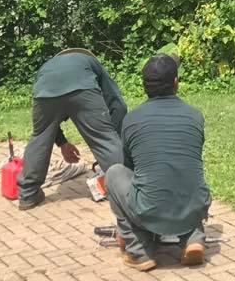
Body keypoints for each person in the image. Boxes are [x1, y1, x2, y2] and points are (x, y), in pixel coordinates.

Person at [105, 54, 212, 272]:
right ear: (176, 82)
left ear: (144, 86)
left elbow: (130, 167)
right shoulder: (194, 116)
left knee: (115, 173)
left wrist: (124, 228)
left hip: (150, 208)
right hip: (194, 203)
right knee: (183, 176)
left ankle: (139, 250)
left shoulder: (131, 119)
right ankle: (194, 239)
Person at [18, 47, 127, 210]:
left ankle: (28, 195)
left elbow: (47, 124)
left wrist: (62, 143)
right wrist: (115, 136)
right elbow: (117, 105)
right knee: (104, 138)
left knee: (39, 137)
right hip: (82, 89)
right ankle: (126, 189)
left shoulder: (46, 66)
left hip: (44, 94)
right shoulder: (91, 62)